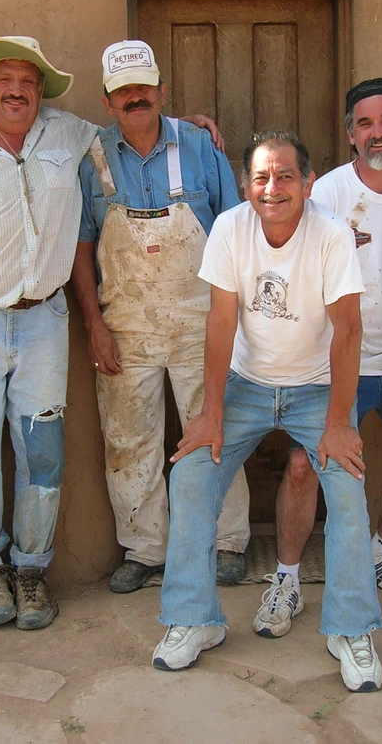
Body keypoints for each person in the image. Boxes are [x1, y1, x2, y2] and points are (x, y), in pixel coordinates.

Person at [0, 36, 223, 630]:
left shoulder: (71, 134)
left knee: (43, 451)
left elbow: (142, 122)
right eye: (4, 79)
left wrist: (197, 128)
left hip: (46, 319)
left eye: (28, 80)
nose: (17, 90)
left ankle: (31, 571)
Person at [152, 132, 382, 693]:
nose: (272, 188)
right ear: (245, 185)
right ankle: (193, 620)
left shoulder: (330, 235)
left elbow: (348, 330)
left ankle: (351, 629)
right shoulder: (231, 229)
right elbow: (220, 322)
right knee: (190, 477)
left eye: (285, 176)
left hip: (314, 388)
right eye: (261, 177)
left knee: (348, 488)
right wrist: (210, 412)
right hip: (246, 385)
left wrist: (338, 421)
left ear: (308, 182)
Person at [258, 79, 382, 639]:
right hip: (339, 362)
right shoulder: (328, 196)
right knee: (302, 468)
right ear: (350, 133)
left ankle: (378, 554)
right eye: (365, 124)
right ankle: (287, 581)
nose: (378, 133)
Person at [71, 40, 249, 593]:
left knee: (213, 427)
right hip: (125, 326)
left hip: (202, 322)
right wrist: (94, 325)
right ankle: (145, 549)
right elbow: (82, 247)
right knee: (129, 439)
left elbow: (235, 231)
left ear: (161, 91)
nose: (135, 97)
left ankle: (226, 542)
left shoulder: (199, 146)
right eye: (123, 90)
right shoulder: (91, 158)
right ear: (107, 100)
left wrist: (236, 322)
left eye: (143, 87)